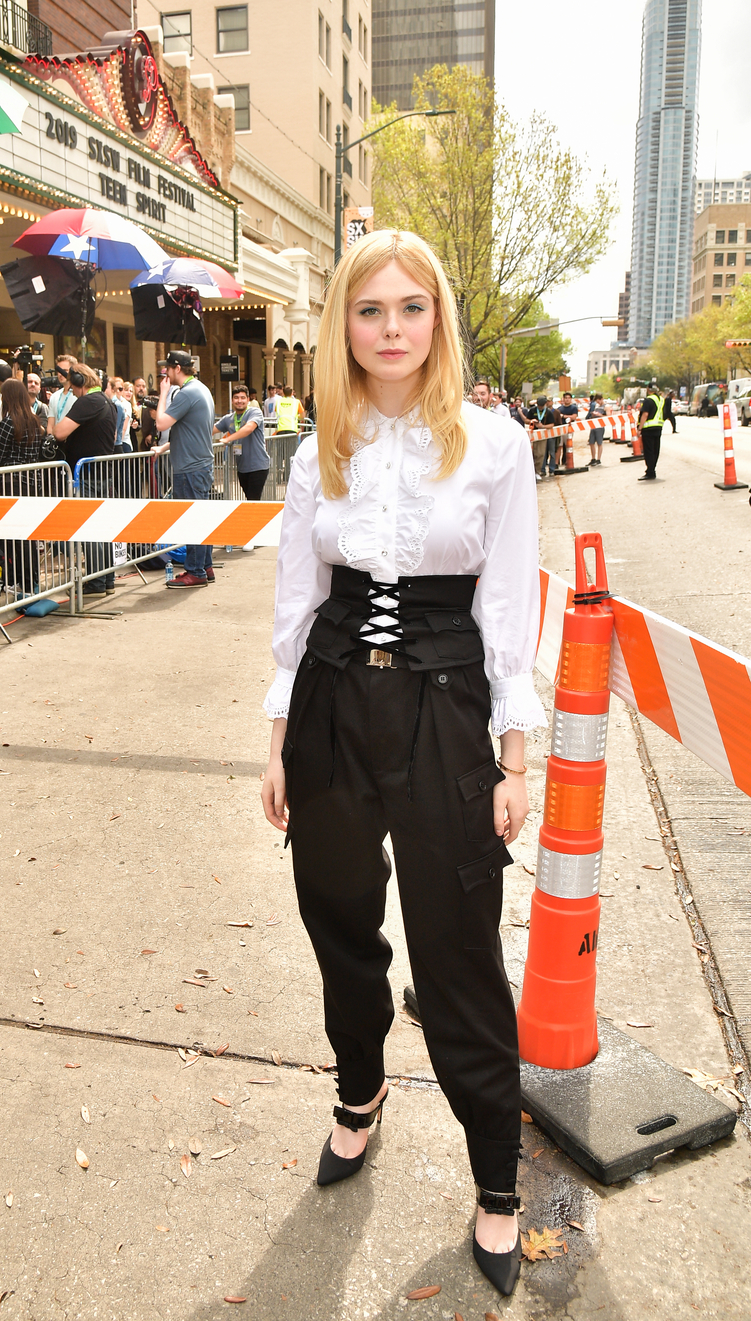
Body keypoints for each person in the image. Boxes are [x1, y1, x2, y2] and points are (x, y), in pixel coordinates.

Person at [260, 230, 545, 1299]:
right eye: (369, 310)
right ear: (343, 324)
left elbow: (507, 608)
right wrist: (278, 739)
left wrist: (514, 758)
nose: (390, 329)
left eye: (409, 308)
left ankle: (495, 1175)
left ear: (439, 320)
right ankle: (361, 1088)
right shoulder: (315, 446)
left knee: (458, 943)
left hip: (442, 705)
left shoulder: (495, 444)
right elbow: (297, 603)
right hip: (333, 700)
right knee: (337, 915)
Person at [54, 363, 119, 594]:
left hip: (88, 476)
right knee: (102, 529)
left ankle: (96, 582)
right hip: (102, 474)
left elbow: (59, 432)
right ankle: (107, 580)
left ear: (81, 382)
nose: (71, 391)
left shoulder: (88, 402)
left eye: (72, 387)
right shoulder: (106, 401)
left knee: (91, 529)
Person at [153, 352, 215, 588]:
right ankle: (205, 565)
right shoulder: (201, 389)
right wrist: (165, 447)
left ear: (177, 368)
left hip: (190, 468)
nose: (165, 373)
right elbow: (191, 430)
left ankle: (196, 571)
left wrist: (163, 395)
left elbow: (161, 423)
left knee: (193, 520)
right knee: (200, 518)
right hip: (198, 465)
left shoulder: (186, 393)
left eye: (167, 368)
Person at [0, 379, 46, 595]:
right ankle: (32, 581)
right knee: (29, 535)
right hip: (32, 483)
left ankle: (20, 581)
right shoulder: (35, 421)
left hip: (12, 482)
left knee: (14, 535)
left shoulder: (8, 422)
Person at [214, 384, 271, 500]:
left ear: (248, 399)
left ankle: (255, 518)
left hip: (258, 466)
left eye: (242, 397)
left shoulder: (255, 412)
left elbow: (249, 428)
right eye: (236, 398)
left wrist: (228, 439)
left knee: (253, 501)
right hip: (242, 468)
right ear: (232, 400)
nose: (239, 401)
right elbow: (210, 430)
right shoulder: (228, 418)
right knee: (249, 499)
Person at [527, 394, 562, 478]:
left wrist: (543, 426)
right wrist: (531, 421)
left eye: (542, 406)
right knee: (532, 453)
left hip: (544, 434)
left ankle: (539, 471)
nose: (540, 407)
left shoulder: (549, 412)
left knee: (541, 453)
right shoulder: (532, 410)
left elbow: (552, 424)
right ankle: (533, 470)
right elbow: (526, 419)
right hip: (533, 434)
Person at [637, 383, 664, 480]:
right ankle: (652, 469)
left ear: (648, 389)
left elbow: (645, 414)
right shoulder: (661, 400)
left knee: (648, 451)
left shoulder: (648, 400)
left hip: (648, 428)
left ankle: (650, 471)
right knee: (655, 450)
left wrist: (640, 428)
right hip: (658, 427)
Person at [47, 354, 77, 431]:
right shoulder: (54, 396)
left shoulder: (79, 395)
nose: (61, 374)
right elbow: (50, 424)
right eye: (59, 371)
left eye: (65, 370)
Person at [586, 392, 606, 465]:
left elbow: (608, 417)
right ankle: (593, 458)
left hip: (600, 426)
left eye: (599, 400)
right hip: (593, 425)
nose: (598, 402)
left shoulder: (606, 406)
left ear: (601, 399)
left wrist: (599, 415)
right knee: (591, 442)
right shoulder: (597, 407)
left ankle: (598, 459)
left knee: (599, 443)